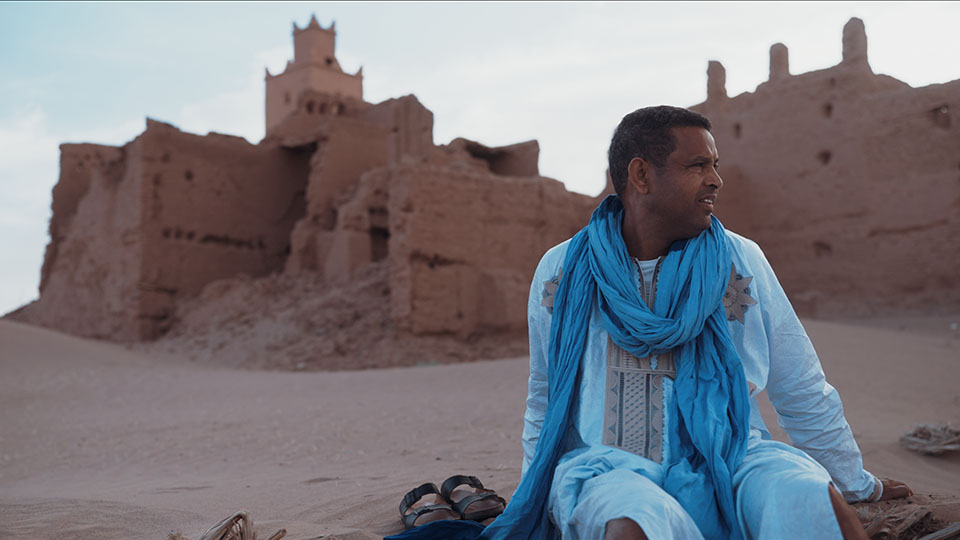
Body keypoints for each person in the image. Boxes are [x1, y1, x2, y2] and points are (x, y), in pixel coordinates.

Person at [385, 106, 912, 540]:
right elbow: (545, 398)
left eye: (715, 165)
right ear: (641, 175)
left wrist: (854, 483)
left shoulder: (738, 259)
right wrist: (534, 495)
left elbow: (799, 383)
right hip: (608, 467)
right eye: (698, 166)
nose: (716, 180)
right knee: (632, 523)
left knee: (809, 500)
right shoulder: (563, 270)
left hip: (734, 454)